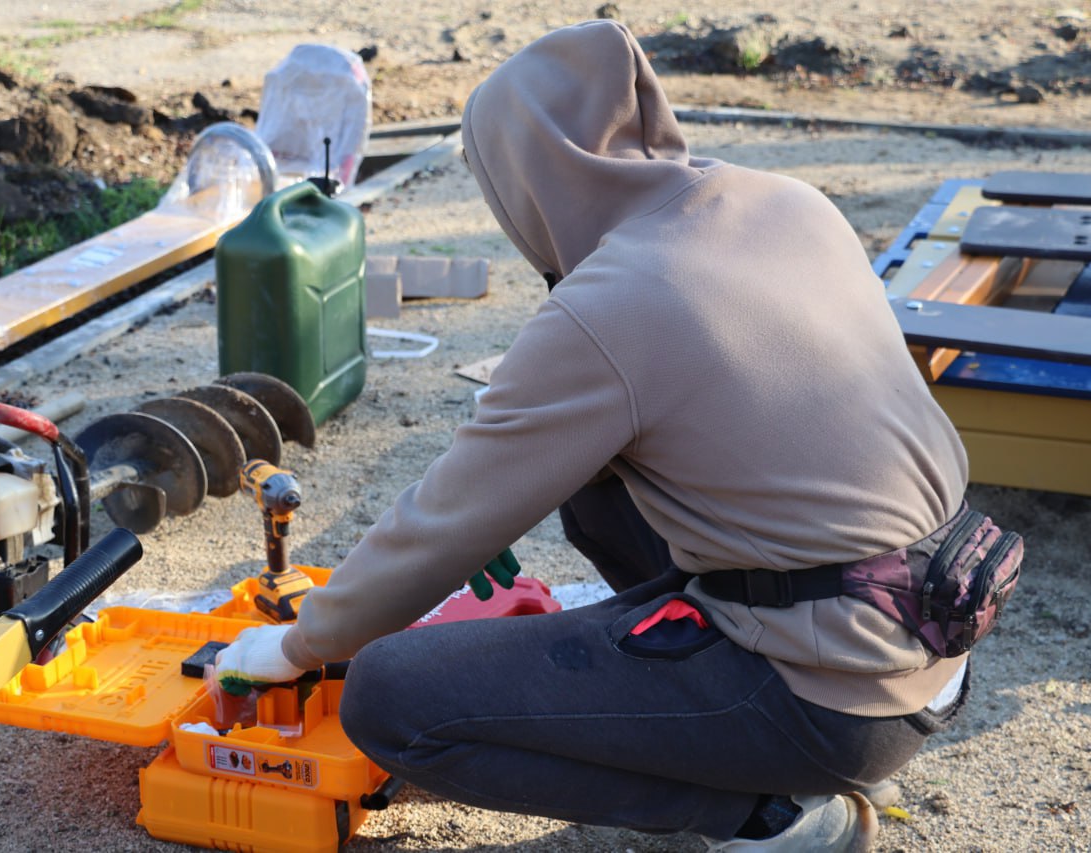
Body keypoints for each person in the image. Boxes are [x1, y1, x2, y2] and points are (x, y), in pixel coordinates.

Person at [215, 19, 991, 850]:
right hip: (937, 638)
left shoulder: (608, 305)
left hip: (836, 701)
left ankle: (769, 815)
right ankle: (718, 713)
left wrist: (300, 643)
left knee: (388, 697)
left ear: (523, 181)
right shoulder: (787, 201)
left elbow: (446, 519)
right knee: (594, 489)